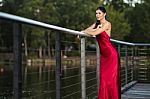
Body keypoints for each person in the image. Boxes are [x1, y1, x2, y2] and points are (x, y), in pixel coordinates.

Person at [82, 6, 121, 99]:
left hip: (112, 56)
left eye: (99, 13)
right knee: (103, 79)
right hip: (104, 57)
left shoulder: (107, 24)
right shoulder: (96, 24)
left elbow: (93, 33)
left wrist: (92, 30)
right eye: (96, 13)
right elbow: (86, 30)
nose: (97, 15)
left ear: (104, 14)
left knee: (111, 81)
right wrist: (91, 29)